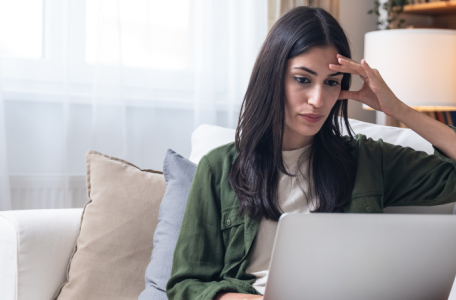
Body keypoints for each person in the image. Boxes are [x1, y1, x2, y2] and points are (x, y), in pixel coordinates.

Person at [165, 6, 456, 300]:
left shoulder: (366, 160)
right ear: (273, 77)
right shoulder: (218, 167)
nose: (318, 100)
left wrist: (399, 109)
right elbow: (186, 286)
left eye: (331, 83)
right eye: (303, 79)